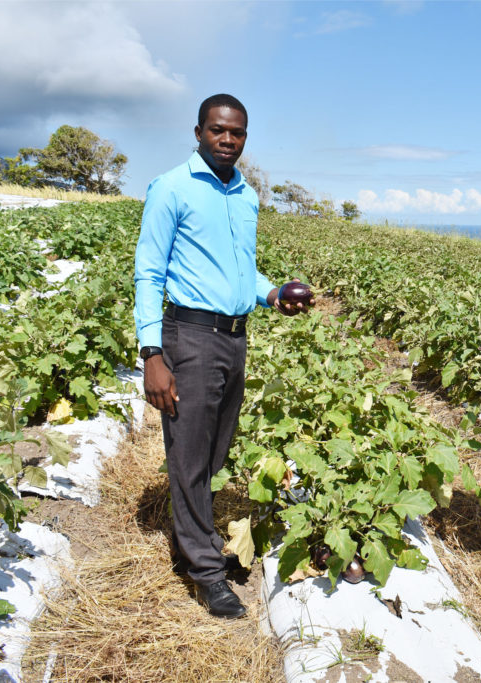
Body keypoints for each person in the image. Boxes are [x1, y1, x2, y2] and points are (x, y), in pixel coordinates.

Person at [134, 94, 310, 618]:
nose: (228, 140)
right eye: (217, 130)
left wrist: (272, 294)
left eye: (237, 133)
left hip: (234, 338)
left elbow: (241, 270)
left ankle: (192, 540)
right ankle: (206, 572)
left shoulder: (246, 195)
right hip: (189, 335)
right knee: (189, 454)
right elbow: (149, 273)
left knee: (214, 449)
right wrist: (152, 353)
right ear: (198, 132)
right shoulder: (171, 188)